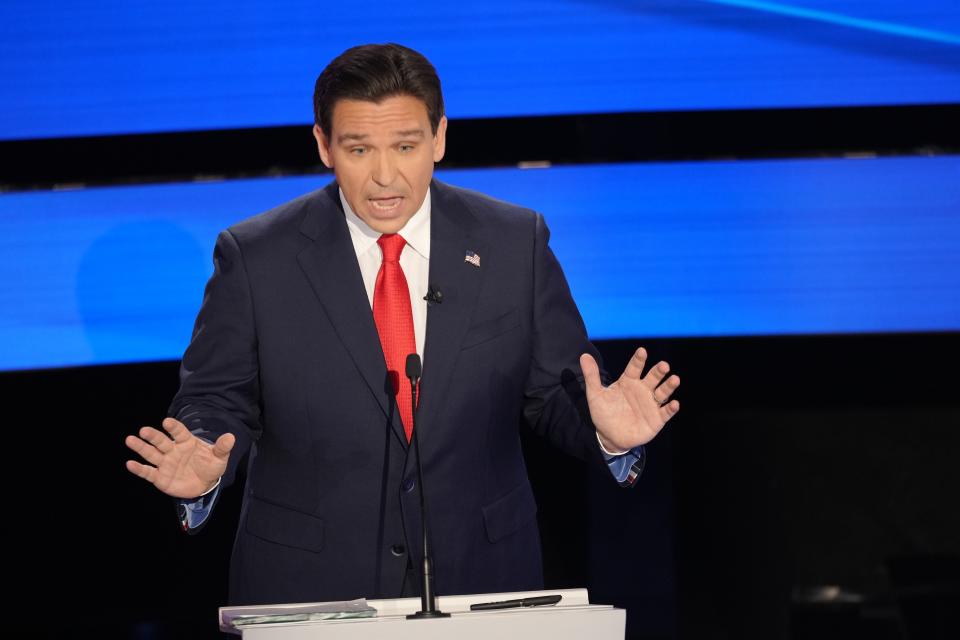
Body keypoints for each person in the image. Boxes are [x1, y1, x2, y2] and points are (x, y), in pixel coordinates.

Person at [124, 43, 680, 606]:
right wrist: (202, 455)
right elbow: (217, 398)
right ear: (323, 145)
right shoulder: (255, 256)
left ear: (439, 137)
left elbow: (556, 393)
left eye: (406, 146)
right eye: (359, 149)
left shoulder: (514, 243)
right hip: (310, 586)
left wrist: (609, 435)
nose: (384, 176)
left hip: (480, 578)